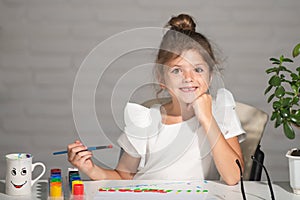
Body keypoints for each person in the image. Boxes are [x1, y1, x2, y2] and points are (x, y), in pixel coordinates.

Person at [67, 14, 245, 185]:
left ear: (211, 76)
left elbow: (233, 177)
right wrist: (91, 169)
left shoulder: (221, 112)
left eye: (198, 69)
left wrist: (207, 118)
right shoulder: (146, 121)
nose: (188, 77)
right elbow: (123, 176)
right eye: (176, 70)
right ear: (161, 79)